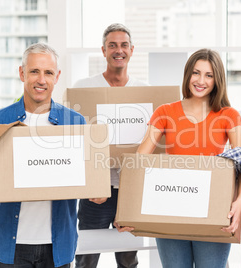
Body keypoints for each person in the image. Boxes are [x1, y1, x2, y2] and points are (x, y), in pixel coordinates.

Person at [117, 48, 241, 268]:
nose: (200, 80)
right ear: (187, 75)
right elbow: (139, 163)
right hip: (171, 206)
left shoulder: (229, 115)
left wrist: (239, 202)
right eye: (196, 73)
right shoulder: (165, 112)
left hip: (213, 207)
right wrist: (127, 211)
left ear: (217, 80)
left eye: (208, 75)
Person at [0, 43, 86, 267]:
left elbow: (85, 177)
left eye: (48, 72)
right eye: (34, 71)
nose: (41, 80)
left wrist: (96, 191)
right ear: (22, 73)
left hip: (58, 244)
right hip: (11, 245)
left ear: (57, 76)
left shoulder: (76, 122)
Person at [74, 23, 148, 268]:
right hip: (96, 192)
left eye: (124, 45)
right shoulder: (85, 88)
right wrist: (88, 186)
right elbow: (75, 142)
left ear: (132, 49)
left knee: (128, 259)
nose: (119, 50)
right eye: (112, 45)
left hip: (130, 191)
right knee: (85, 258)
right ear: (103, 51)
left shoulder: (144, 92)